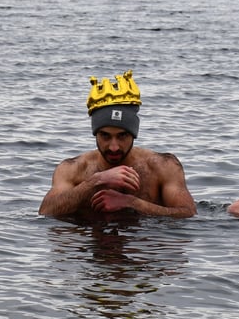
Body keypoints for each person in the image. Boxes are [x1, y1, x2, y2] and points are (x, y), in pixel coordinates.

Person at [39, 70, 196, 219]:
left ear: (133, 134)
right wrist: (95, 181)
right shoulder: (72, 170)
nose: (113, 147)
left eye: (122, 136)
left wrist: (132, 203)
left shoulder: (163, 167)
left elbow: (188, 214)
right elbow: (46, 212)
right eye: (105, 136)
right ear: (95, 134)